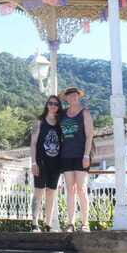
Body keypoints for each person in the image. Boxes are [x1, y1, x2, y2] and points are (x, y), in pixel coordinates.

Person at [59, 87, 94, 232]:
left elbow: (90, 135)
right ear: (66, 98)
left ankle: (85, 223)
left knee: (81, 188)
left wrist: (86, 155)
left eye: (75, 95)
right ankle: (71, 223)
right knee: (70, 189)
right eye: (70, 95)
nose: (73, 97)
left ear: (78, 97)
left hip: (81, 155)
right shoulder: (63, 115)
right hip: (66, 155)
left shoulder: (84, 113)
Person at [30, 95, 63, 232]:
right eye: (50, 103)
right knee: (38, 192)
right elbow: (33, 143)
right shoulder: (39, 122)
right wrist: (33, 162)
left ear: (58, 107)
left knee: (51, 193)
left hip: (55, 163)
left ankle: (48, 224)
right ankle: (34, 223)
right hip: (41, 162)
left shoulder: (61, 123)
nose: (53, 106)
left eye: (56, 104)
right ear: (47, 105)